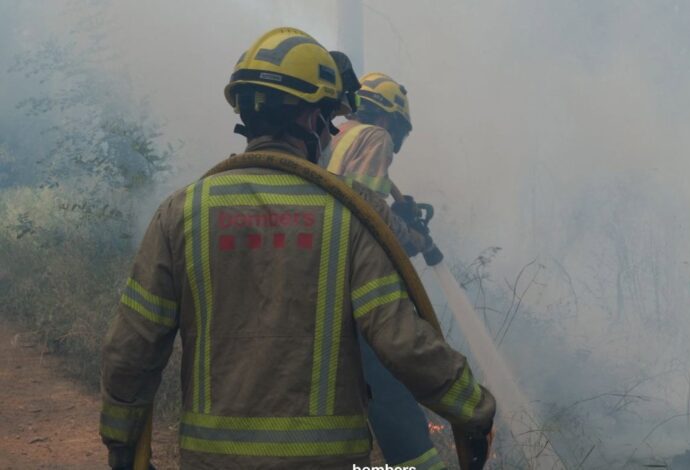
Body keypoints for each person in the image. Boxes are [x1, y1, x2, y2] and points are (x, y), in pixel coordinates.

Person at [99, 27, 495, 469]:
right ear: (309, 120)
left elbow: (132, 346)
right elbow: (401, 340)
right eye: (328, 121)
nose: (330, 135)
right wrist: (474, 407)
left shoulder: (182, 211)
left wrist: (123, 444)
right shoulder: (351, 215)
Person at [321, 72, 449, 468]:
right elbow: (365, 212)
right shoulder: (376, 137)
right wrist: (411, 237)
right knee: (390, 387)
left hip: (322, 272)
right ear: (392, 119)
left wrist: (399, 217)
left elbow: (348, 195)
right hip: (355, 282)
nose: (396, 145)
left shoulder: (336, 135)